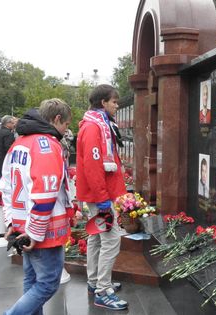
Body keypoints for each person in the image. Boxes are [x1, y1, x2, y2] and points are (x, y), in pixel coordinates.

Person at [0, 99, 73, 314]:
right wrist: (34, 233)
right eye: (66, 124)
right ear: (57, 119)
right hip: (43, 230)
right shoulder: (46, 145)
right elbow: (45, 194)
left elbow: (5, 187)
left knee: (31, 281)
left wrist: (11, 221)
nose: (66, 130)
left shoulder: (19, 143)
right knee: (48, 283)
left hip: (23, 224)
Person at [76, 84, 128, 310]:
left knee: (97, 237)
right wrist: (103, 200)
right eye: (114, 102)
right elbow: (94, 166)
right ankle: (103, 291)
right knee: (111, 239)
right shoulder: (93, 128)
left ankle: (94, 280)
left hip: (100, 193)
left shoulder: (101, 124)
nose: (117, 106)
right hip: (100, 196)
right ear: (103, 103)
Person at [0, 115, 17, 183]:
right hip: (4, 160)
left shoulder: (0, 131)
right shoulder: (8, 133)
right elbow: (9, 148)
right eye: (12, 123)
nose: (14, 125)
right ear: (7, 123)